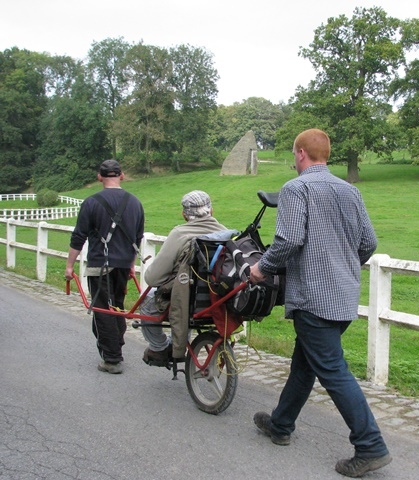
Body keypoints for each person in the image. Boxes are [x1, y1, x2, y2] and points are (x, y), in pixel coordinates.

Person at [249, 129, 391, 477]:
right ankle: (281, 424)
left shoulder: (296, 189)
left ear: (300, 154)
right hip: (342, 298)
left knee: (331, 369)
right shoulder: (349, 190)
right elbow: (368, 242)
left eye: (294, 154)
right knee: (305, 363)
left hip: (313, 300)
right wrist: (342, 269)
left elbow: (288, 240)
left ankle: (370, 445)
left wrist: (260, 269)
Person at [65, 159, 145, 375]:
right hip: (122, 266)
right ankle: (114, 344)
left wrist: (69, 266)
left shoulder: (91, 202)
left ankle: (112, 358)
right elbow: (137, 238)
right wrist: (131, 265)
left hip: (100, 264)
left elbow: (78, 237)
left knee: (102, 310)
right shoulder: (135, 203)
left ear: (99, 177)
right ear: (122, 176)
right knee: (116, 306)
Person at [142, 190, 230, 365]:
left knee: (147, 305)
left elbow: (153, 278)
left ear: (184, 214)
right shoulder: (226, 234)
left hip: (187, 301)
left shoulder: (179, 234)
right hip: (218, 300)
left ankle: (160, 347)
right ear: (211, 211)